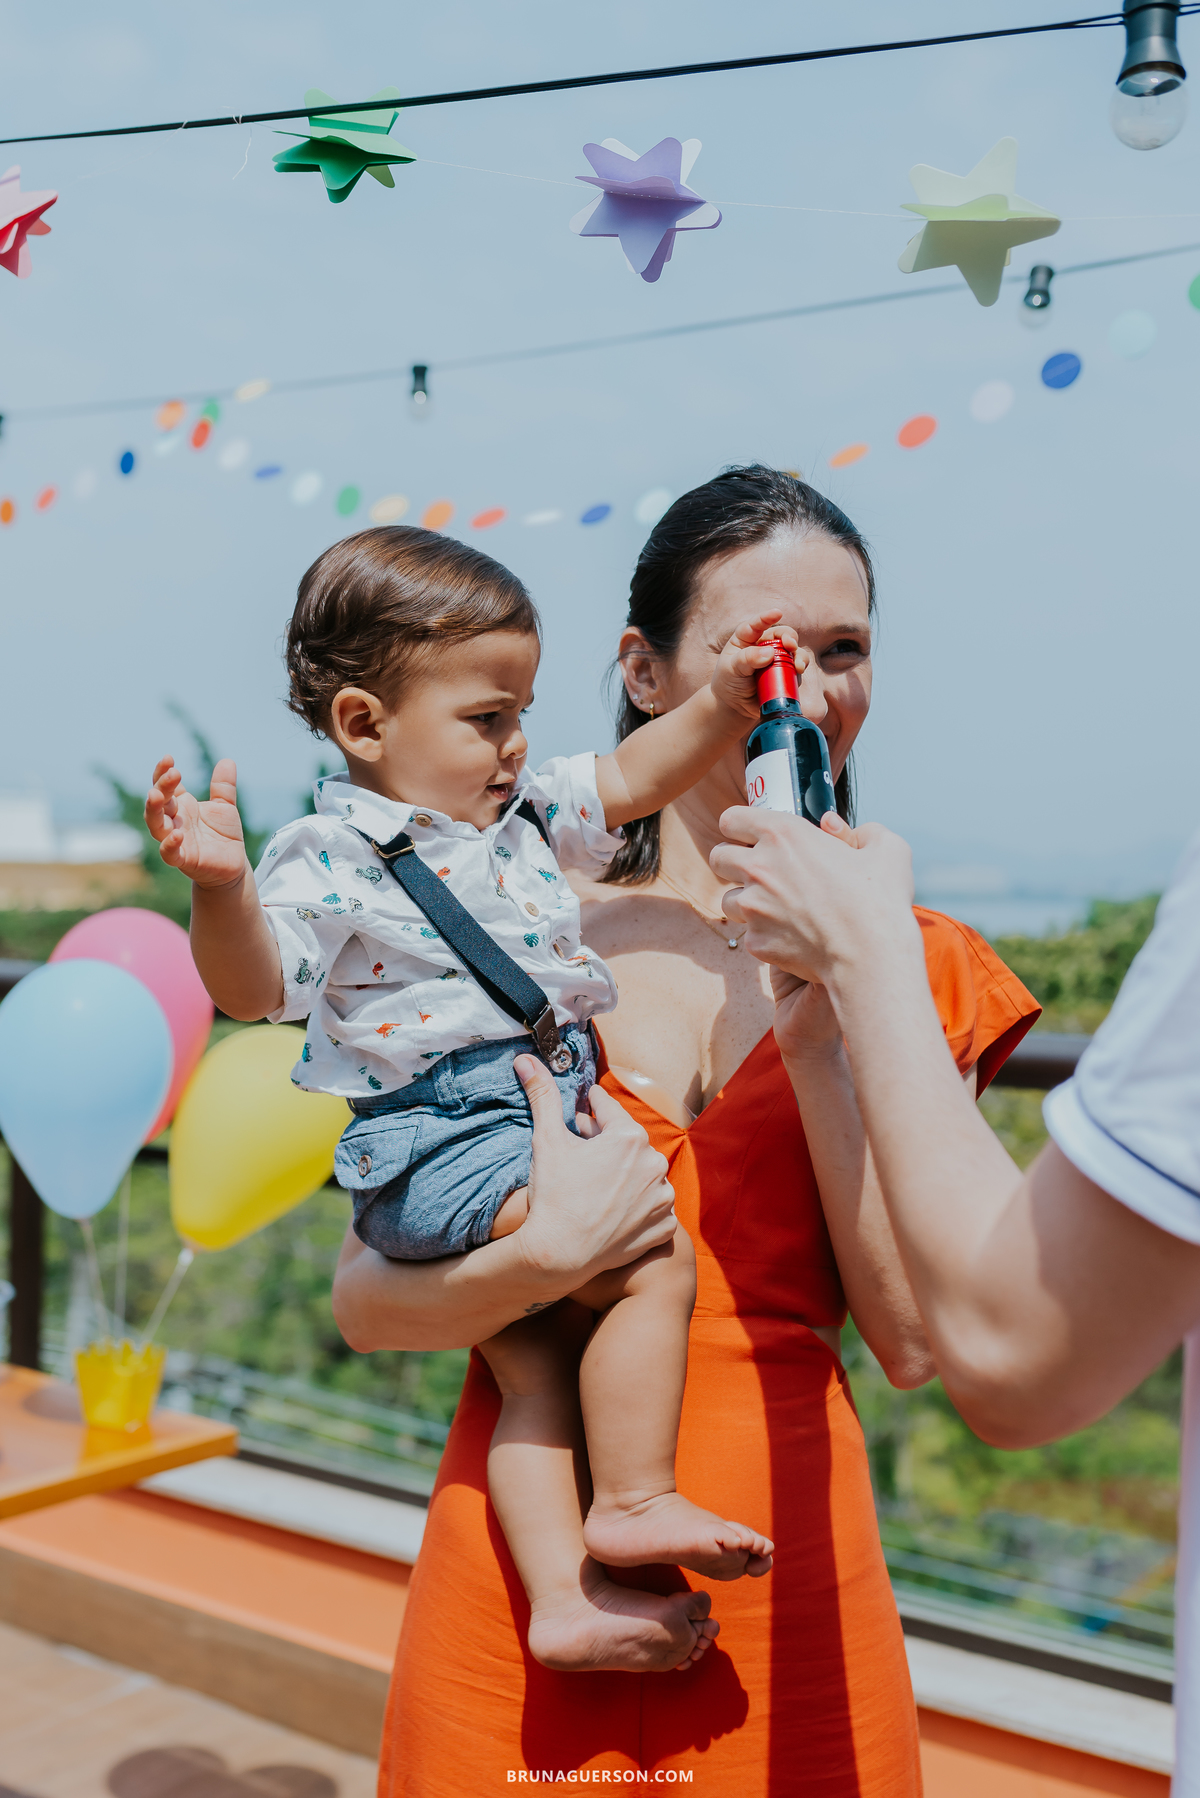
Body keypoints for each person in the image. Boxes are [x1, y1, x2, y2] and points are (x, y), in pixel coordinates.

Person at [332, 467, 1042, 1792]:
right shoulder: (524, 938)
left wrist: (826, 1010)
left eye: (846, 652)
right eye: (764, 653)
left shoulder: (915, 965)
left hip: (786, 1563)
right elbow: (368, 1304)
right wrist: (549, 1260)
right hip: (524, 1571)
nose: (810, 692)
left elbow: (913, 1337)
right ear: (651, 674)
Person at [144, 524, 779, 1676]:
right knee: (648, 1254)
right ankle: (634, 1496)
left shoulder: (528, 811)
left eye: (523, 710)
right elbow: (254, 991)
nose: (517, 741)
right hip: (442, 1134)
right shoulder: (328, 852)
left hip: (520, 1111)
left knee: (526, 1365)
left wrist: (726, 703)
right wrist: (221, 892)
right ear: (363, 724)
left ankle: (563, 1600)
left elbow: (639, 772)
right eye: (488, 717)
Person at [711, 800, 1200, 1791]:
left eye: (845, 646)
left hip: (791, 1512)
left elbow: (989, 1344)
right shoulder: (544, 926)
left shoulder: (926, 966)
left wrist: (865, 955)